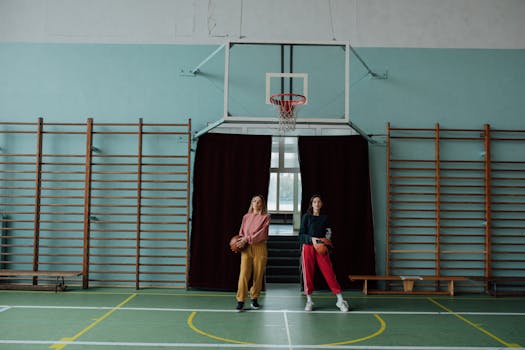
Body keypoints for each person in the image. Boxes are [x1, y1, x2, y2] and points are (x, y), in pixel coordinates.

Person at [299, 194, 350, 312]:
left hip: (321, 247)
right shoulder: (306, 217)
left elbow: (328, 233)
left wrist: (326, 243)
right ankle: (309, 300)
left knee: (329, 272)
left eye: (319, 202)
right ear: (312, 204)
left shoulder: (325, 218)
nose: (317, 204)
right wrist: (311, 239)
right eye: (314, 202)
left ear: (321, 204)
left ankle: (340, 300)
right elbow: (301, 235)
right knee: (308, 273)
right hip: (308, 247)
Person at [235, 194, 270, 312]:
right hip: (246, 248)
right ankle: (240, 300)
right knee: (244, 273)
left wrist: (247, 238)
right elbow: (241, 232)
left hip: (260, 247)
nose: (256, 203)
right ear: (252, 203)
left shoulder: (266, 217)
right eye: (254, 201)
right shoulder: (246, 217)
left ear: (262, 204)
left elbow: (262, 233)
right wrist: (240, 241)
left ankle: (254, 299)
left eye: (259, 201)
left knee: (258, 275)